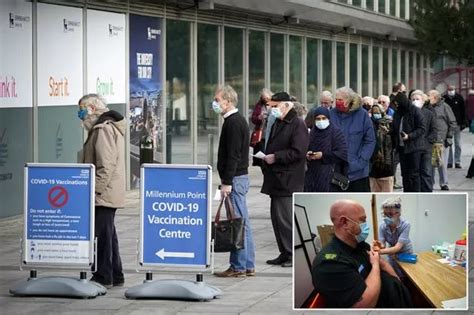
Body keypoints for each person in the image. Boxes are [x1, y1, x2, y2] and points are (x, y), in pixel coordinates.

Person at [311, 200, 412, 308]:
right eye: (362, 220)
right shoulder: (329, 264)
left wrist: (398, 283)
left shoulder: (361, 245)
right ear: (345, 222)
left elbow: (384, 263)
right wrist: (375, 265)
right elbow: (364, 305)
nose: (366, 225)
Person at [78, 94, 125, 289]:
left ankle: (102, 276)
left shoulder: (103, 129)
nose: (79, 113)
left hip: (103, 193)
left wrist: (93, 191)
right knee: (108, 234)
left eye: (81, 108)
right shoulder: (106, 126)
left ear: (91, 108)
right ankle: (116, 273)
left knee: (102, 235)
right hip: (107, 191)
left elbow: (106, 166)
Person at [261, 92, 309, 268]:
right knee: (277, 218)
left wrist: (276, 157)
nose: (271, 109)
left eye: (274, 106)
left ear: (286, 105)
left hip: (288, 179)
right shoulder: (278, 122)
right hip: (276, 178)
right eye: (270, 106)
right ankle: (284, 251)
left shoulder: (297, 124)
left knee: (286, 219)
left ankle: (292, 254)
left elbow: (298, 152)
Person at [213, 85, 256, 278]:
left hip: (236, 178)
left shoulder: (233, 122)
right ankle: (247, 265)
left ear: (228, 101)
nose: (215, 103)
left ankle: (238, 266)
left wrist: (226, 182)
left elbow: (233, 155)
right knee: (242, 222)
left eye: (217, 100)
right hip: (238, 177)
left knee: (238, 223)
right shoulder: (235, 121)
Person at [330, 87, 375, 192]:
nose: (337, 102)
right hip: (336, 171)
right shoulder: (332, 114)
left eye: (340, 100)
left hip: (358, 172)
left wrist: (362, 160)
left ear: (349, 100)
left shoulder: (362, 114)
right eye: (336, 99)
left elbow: (370, 141)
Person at [304, 106, 348, 192]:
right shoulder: (313, 132)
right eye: (318, 119)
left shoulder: (336, 132)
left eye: (323, 118)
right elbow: (307, 148)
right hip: (313, 175)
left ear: (328, 118)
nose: (321, 121)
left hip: (330, 176)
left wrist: (323, 155)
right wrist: (308, 155)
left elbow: (342, 153)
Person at [391, 92, 425, 192]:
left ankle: (415, 193)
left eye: (398, 103)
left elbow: (422, 128)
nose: (396, 106)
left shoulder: (415, 111)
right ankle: (407, 192)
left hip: (414, 148)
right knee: (405, 173)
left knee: (414, 173)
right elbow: (395, 127)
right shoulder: (398, 112)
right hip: (402, 148)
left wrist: (409, 136)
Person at [372, 197, 413, 278]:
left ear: (398, 213)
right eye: (385, 214)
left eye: (390, 215)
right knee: (395, 275)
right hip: (391, 254)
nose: (386, 217)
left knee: (407, 276)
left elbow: (398, 247)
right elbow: (383, 245)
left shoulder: (406, 225)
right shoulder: (382, 226)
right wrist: (378, 245)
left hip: (405, 253)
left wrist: (379, 251)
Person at [428, 89, 457, 191]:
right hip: (430, 140)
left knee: (442, 164)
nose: (427, 98)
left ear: (435, 97)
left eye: (429, 96)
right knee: (430, 164)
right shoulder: (428, 107)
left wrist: (449, 137)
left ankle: (444, 183)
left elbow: (452, 122)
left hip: (442, 140)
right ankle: (429, 183)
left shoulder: (445, 107)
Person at [410, 90, 437, 192]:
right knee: (414, 172)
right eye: (413, 99)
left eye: (417, 99)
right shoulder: (409, 114)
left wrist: (427, 141)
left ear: (422, 101)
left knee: (426, 171)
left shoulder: (429, 114)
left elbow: (434, 130)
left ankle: (427, 192)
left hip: (426, 148)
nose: (415, 101)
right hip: (413, 148)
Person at [368, 104, 394, 192]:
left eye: (378, 112)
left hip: (387, 165)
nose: (376, 114)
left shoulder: (389, 123)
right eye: (374, 112)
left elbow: (393, 143)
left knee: (387, 193)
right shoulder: (369, 124)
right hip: (373, 166)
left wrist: (388, 133)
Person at [442, 85, 467, 168]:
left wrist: (463, 123)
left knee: (458, 144)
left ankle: (457, 161)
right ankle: (449, 162)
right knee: (448, 143)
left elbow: (463, 111)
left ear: (455, 89)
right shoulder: (444, 98)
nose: (451, 91)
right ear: (447, 90)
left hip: (457, 124)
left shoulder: (459, 98)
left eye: (452, 89)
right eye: (449, 89)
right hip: (447, 125)